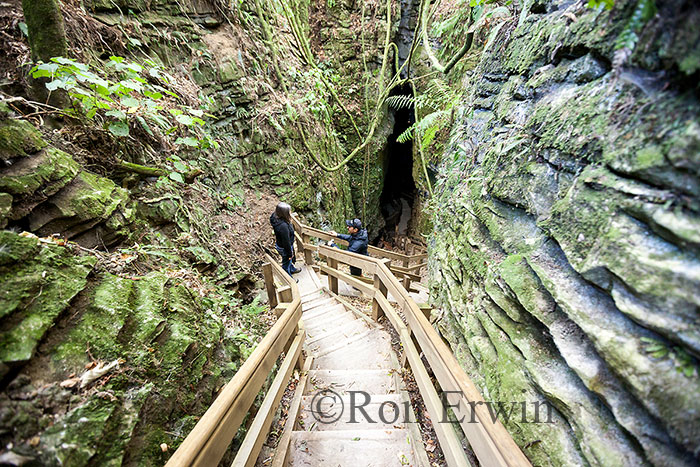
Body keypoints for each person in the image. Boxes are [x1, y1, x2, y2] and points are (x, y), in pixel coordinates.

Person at [270, 202, 301, 276]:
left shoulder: (275, 216)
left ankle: (291, 269)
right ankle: (288, 278)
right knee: (286, 262)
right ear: (284, 214)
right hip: (284, 247)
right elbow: (286, 242)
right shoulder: (283, 227)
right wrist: (290, 253)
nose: (290, 213)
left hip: (280, 244)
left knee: (288, 261)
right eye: (289, 212)